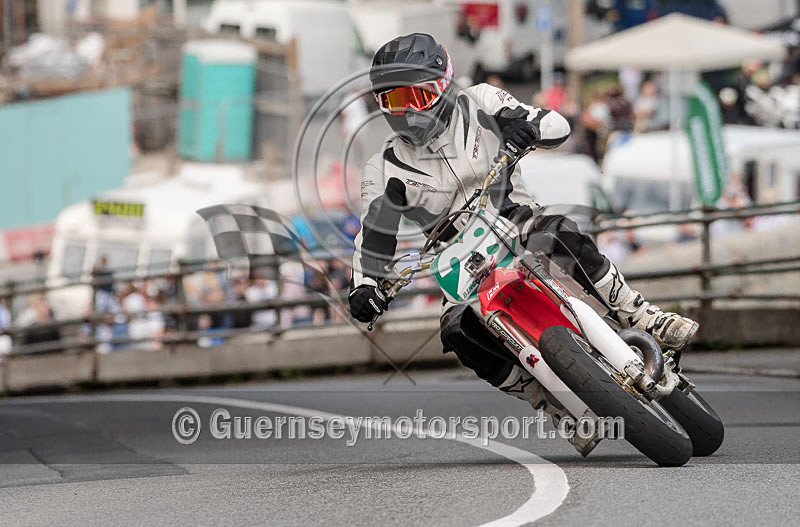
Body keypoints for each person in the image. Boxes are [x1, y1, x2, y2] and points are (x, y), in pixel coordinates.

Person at [348, 34, 698, 418]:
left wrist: (528, 129)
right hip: (456, 262)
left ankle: (639, 313)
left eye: (416, 96)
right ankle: (546, 401)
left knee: (560, 230)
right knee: (457, 331)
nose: (407, 111)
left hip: (515, 217)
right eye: (393, 100)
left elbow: (554, 123)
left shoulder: (481, 100)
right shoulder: (383, 168)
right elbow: (373, 239)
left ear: (444, 84)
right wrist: (365, 288)